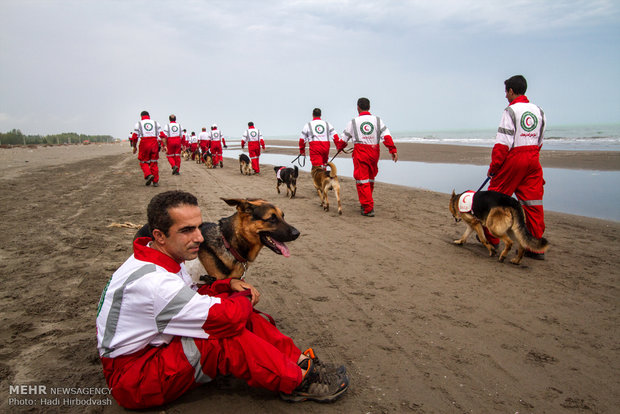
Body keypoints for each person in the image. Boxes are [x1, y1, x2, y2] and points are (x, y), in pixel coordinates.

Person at [96, 191, 349, 409]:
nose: (199, 237)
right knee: (226, 336)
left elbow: (191, 295)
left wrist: (226, 285)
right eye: (187, 230)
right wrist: (243, 297)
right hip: (134, 378)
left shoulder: (159, 258)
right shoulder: (154, 282)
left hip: (155, 349)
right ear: (160, 235)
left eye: (198, 226)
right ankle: (296, 381)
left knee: (232, 305)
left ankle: (298, 361)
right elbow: (222, 319)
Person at [485, 75, 547, 259]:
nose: (505, 95)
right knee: (534, 203)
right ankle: (535, 247)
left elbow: (502, 144)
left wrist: (494, 168)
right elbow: (540, 140)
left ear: (511, 91)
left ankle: (492, 240)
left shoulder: (510, 111)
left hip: (514, 158)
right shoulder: (540, 111)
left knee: (494, 197)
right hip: (533, 159)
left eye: (506, 91)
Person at [339, 97, 398, 217]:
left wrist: (340, 147)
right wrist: (392, 150)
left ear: (358, 107)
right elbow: (386, 136)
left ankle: (368, 208)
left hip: (361, 152)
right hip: (374, 151)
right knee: (370, 178)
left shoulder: (353, 122)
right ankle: (366, 201)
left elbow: (344, 139)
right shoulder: (378, 120)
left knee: (362, 180)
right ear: (369, 107)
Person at [130, 110, 162, 187]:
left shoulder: (139, 124)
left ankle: (148, 174)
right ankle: (155, 182)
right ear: (149, 116)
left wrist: (134, 147)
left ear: (141, 116)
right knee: (154, 162)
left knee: (143, 161)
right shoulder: (155, 123)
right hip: (154, 142)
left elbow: (134, 137)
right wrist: (164, 145)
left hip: (144, 143)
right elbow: (162, 135)